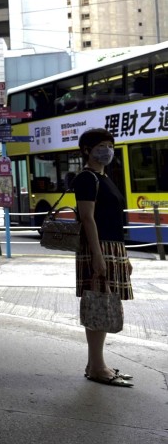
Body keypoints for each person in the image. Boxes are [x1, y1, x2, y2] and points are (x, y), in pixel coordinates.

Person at [74, 128, 134, 387]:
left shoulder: (105, 177)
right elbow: (87, 218)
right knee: (98, 304)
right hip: (98, 248)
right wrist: (97, 256)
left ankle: (94, 365)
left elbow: (113, 221)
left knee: (104, 303)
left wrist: (125, 256)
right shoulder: (86, 178)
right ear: (87, 150)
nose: (107, 150)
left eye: (110, 145)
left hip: (113, 248)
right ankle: (98, 367)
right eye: (101, 145)